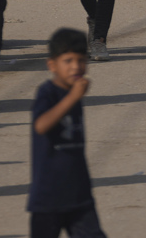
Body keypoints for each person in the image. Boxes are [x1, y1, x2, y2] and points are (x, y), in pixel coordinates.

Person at [30, 28, 106, 238]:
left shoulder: (75, 91)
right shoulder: (48, 92)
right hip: (48, 196)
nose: (76, 67)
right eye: (68, 60)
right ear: (52, 64)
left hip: (79, 193)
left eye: (81, 60)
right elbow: (41, 125)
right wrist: (73, 97)